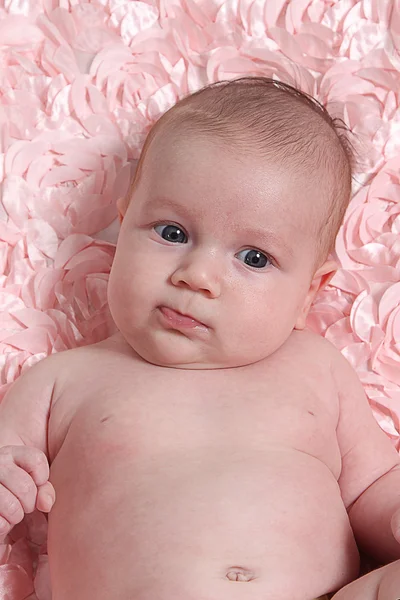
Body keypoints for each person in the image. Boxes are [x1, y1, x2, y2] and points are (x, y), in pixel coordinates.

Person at [0, 76, 399, 600]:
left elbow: (374, 485)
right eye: (172, 232)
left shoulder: (316, 368)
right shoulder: (61, 381)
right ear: (123, 230)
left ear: (309, 293)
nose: (197, 275)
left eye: (254, 258)